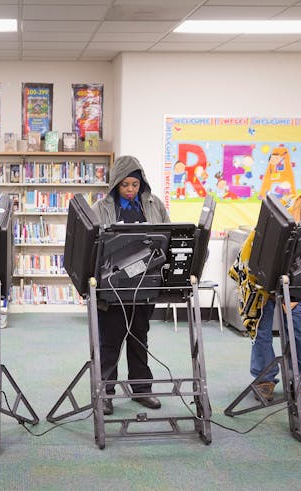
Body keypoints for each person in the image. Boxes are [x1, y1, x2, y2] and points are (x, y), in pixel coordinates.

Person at [229, 187, 301, 405]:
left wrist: (295, 292)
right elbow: (263, 260)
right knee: (262, 326)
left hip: (296, 280)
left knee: (300, 324)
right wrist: (280, 290)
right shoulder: (281, 223)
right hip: (259, 276)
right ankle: (263, 380)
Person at [91, 155, 170, 415]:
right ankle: (105, 392)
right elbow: (92, 244)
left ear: (141, 184)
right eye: (124, 185)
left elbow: (168, 234)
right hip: (113, 286)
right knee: (110, 340)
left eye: (134, 184)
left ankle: (142, 389)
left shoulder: (153, 204)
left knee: (139, 337)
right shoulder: (101, 207)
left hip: (145, 283)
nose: (130, 190)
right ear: (115, 184)